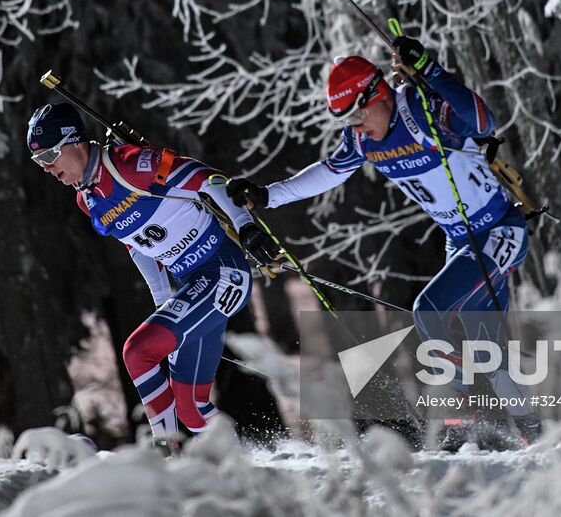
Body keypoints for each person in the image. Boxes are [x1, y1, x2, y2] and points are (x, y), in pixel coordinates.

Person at [228, 34, 540, 443]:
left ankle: (455, 423)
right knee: (487, 343)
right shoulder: (363, 140)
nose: (359, 130)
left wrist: (431, 72)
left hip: (500, 229)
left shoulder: (422, 110)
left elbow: (484, 123)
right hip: (459, 241)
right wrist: (267, 196)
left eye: (359, 117)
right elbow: (328, 172)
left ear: (378, 95)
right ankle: (540, 435)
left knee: (428, 310)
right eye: (350, 123)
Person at [27, 101, 265, 442]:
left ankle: (165, 459)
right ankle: (254, 469)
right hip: (194, 285)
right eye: (38, 162)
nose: (47, 168)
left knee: (137, 353)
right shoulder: (87, 199)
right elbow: (136, 245)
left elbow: (206, 178)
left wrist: (245, 226)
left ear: (74, 141)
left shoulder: (129, 165)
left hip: (224, 272)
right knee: (192, 410)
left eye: (49, 156)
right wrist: (163, 300)